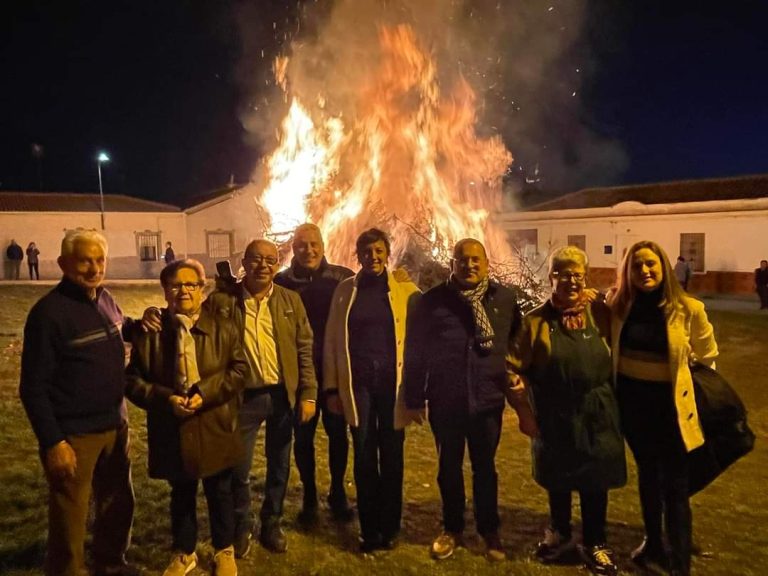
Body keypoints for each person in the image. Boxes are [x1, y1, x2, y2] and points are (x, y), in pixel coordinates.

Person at [19, 229, 138, 576]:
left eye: (99, 260)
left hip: (116, 425)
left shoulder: (105, 298)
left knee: (117, 503)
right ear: (63, 263)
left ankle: (110, 563)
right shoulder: (48, 314)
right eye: (84, 260)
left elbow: (119, 327)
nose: (93, 268)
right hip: (76, 435)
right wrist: (54, 442)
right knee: (71, 515)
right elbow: (33, 387)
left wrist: (141, 323)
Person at [507, 246, 625, 575]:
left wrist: (604, 295)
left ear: (585, 278)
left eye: (578, 275)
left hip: (597, 409)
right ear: (551, 278)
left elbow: (631, 304)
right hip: (553, 410)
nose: (571, 281)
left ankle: (596, 542)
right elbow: (511, 366)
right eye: (564, 275)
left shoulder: (602, 313)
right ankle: (558, 533)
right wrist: (523, 411)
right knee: (557, 476)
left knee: (595, 477)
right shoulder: (534, 321)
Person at [126, 259, 248, 576]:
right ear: (165, 291)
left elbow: (238, 371)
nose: (184, 291)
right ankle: (184, 551)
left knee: (220, 491)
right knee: (181, 493)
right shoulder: (149, 333)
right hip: (172, 426)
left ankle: (224, 549)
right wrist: (166, 400)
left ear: (202, 288)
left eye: (190, 284)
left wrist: (205, 393)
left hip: (214, 422)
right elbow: (133, 381)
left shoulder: (223, 326)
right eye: (175, 285)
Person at [404, 238, 524, 562]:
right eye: (462, 259)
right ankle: (452, 528)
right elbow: (415, 352)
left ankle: (489, 531)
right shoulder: (431, 302)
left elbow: (516, 339)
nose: (468, 265)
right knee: (449, 468)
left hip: (487, 400)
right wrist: (413, 397)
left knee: (485, 468)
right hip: (446, 400)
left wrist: (510, 371)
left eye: (475, 260)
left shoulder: (505, 299)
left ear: (486, 263)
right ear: (452, 263)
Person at [608, 240, 718, 576]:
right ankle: (653, 543)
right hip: (633, 407)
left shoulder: (688, 309)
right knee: (647, 477)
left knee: (675, 485)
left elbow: (708, 353)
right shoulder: (618, 306)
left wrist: (693, 386)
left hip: (671, 409)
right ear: (628, 271)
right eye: (637, 265)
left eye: (651, 264)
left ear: (664, 267)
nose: (644, 271)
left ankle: (679, 561)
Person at [206, 239, 317, 556]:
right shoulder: (223, 302)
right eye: (256, 259)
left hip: (283, 396)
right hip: (243, 399)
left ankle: (272, 522)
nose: (263, 265)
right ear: (244, 261)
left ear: (278, 264)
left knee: (279, 466)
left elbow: (304, 350)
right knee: (238, 470)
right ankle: (242, 525)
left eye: (270, 260)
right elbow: (197, 332)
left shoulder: (290, 301)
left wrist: (308, 393)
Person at [323, 228, 421, 553]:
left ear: (388, 253)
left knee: (392, 455)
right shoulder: (344, 291)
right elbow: (332, 342)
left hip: (393, 388)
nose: (373, 257)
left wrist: (418, 392)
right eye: (366, 252)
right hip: (358, 386)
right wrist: (333, 389)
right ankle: (369, 528)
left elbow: (420, 344)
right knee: (364, 454)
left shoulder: (406, 291)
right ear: (358, 255)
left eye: (379, 251)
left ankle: (390, 526)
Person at [273, 223, 355, 525]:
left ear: (323, 244)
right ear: (293, 248)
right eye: (302, 245)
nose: (309, 250)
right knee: (303, 438)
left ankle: (337, 493)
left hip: (333, 373)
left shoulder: (343, 278)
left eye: (314, 244)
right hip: (298, 377)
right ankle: (309, 496)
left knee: (337, 435)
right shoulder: (281, 282)